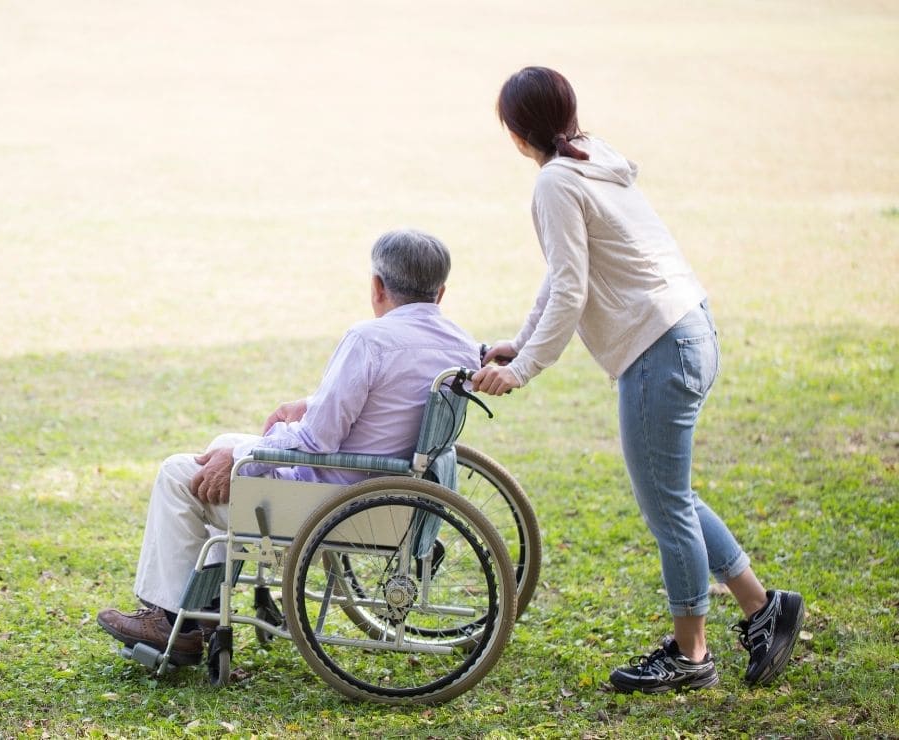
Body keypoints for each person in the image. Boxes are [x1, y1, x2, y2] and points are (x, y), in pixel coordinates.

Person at [471, 66, 804, 693]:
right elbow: (564, 272)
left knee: (666, 505)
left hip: (659, 346)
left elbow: (571, 284)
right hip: (690, 329)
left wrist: (523, 369)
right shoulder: (593, 156)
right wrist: (523, 337)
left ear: (515, 133)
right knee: (671, 494)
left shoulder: (554, 181)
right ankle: (764, 609)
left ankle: (691, 655)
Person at [96, 229, 481, 665]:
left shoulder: (369, 340)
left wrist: (246, 455)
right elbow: (392, 406)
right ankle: (193, 616)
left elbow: (318, 440)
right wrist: (306, 407)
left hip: (328, 501)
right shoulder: (462, 344)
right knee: (220, 449)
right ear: (441, 292)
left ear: (377, 286)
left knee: (179, 473)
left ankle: (174, 621)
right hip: (393, 493)